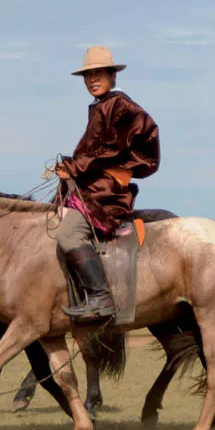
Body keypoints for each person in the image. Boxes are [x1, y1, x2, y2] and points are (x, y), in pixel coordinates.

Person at [55, 46, 160, 320]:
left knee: (68, 234)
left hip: (106, 193)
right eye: (88, 76)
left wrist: (75, 167)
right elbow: (97, 152)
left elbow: (110, 150)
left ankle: (101, 296)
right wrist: (70, 168)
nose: (92, 80)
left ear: (112, 77)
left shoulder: (118, 105)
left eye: (99, 74)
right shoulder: (101, 106)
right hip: (95, 186)